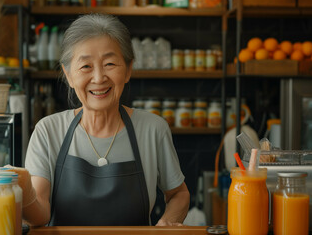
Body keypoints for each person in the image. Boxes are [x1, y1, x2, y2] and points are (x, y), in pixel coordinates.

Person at [10, 13, 190, 227]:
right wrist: (16, 190)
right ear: (68, 75)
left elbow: (179, 194)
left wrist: (167, 222)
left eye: (110, 64)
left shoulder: (153, 129)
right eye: (86, 66)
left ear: (128, 70)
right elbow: (40, 211)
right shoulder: (48, 131)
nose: (98, 78)